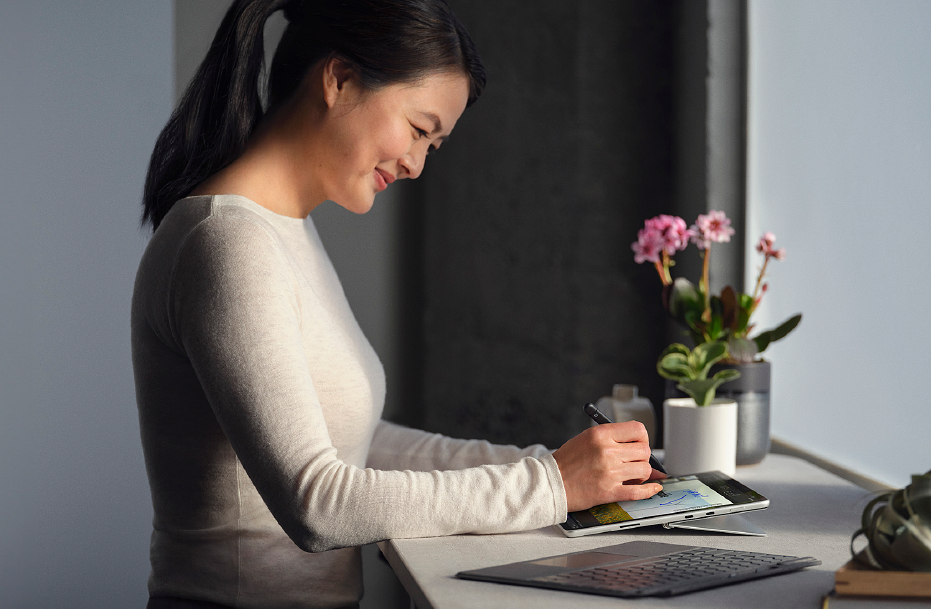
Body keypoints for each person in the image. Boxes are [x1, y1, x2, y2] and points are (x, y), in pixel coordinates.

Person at [131, 1, 663, 607]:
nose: (415, 165)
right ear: (339, 79)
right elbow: (317, 506)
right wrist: (548, 484)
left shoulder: (277, 229)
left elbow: (355, 440)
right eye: (417, 129)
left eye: (433, 146)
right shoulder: (227, 241)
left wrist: (554, 466)